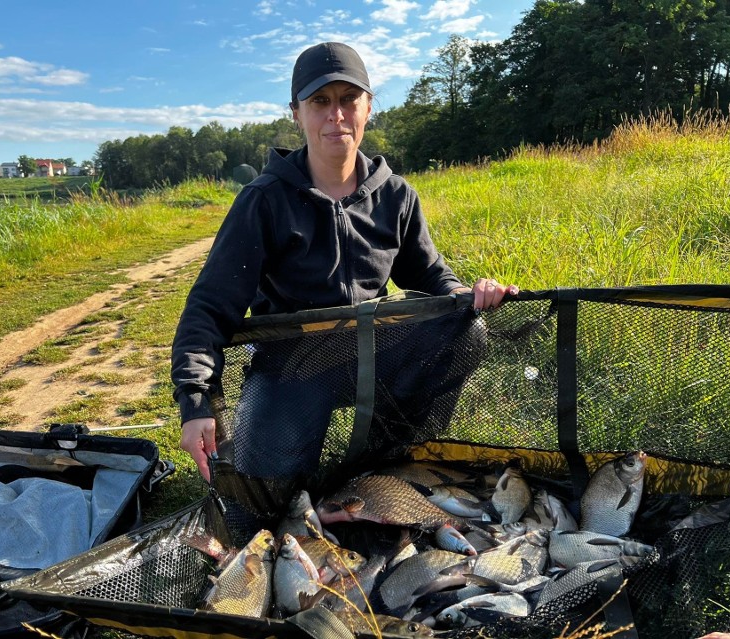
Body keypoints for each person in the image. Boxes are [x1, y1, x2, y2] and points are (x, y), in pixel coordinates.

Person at [171, 42, 517, 483]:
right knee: (264, 503)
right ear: (296, 113)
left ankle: (385, 462)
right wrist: (196, 400)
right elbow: (209, 306)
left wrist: (461, 294)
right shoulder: (263, 200)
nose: (336, 115)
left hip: (377, 351)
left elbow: (429, 273)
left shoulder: (396, 195)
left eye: (348, 99)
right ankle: (292, 456)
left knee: (466, 330)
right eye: (320, 101)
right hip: (292, 367)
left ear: (368, 107)